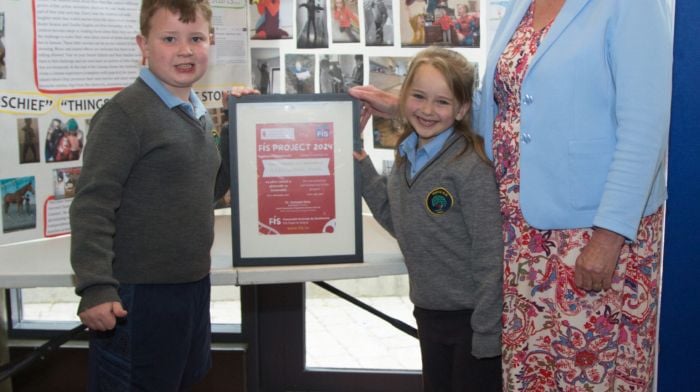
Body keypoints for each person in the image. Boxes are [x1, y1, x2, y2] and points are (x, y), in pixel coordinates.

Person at [351, 1, 673, 390]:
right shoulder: (523, 5)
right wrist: (402, 106)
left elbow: (645, 128)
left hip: (587, 234)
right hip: (523, 238)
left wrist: (609, 236)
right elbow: (498, 107)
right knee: (534, 374)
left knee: (588, 375)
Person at [69, 0, 230, 390]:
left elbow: (210, 190)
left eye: (196, 38)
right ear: (143, 44)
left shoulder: (194, 110)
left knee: (180, 380)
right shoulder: (125, 115)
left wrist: (238, 128)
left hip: (191, 286)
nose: (185, 50)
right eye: (169, 38)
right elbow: (92, 204)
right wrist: (95, 286)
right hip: (139, 296)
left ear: (211, 40)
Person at [355, 46, 503, 392]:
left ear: (463, 108)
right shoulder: (407, 153)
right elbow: (399, 220)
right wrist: (360, 164)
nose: (426, 110)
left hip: (471, 321)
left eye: (442, 102)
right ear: (404, 96)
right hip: (428, 310)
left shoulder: (470, 167)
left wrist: (486, 331)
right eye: (418, 96)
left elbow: (490, 253)